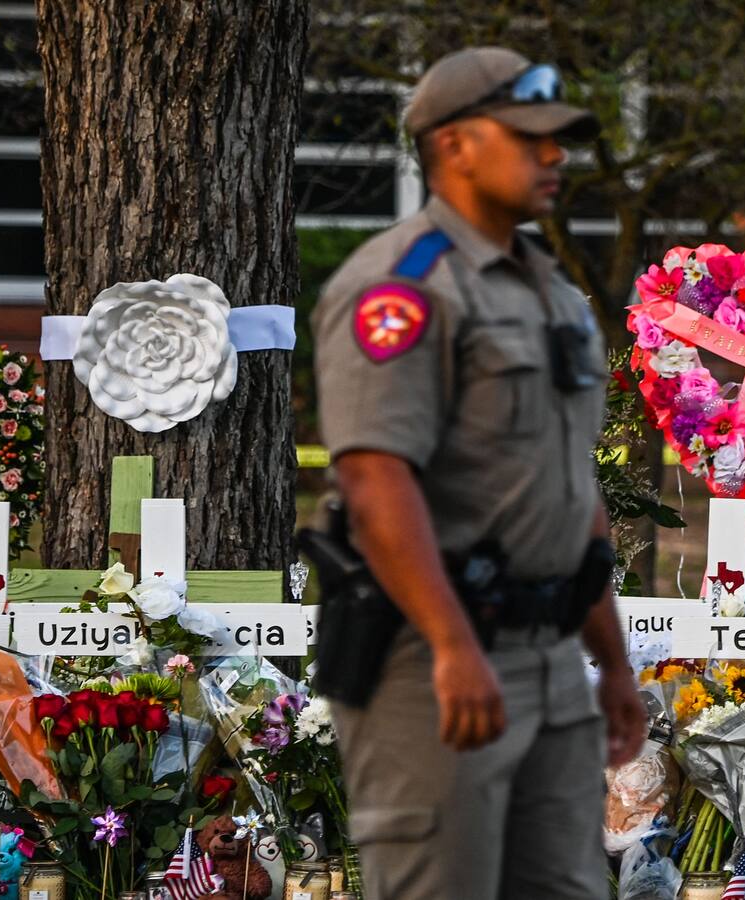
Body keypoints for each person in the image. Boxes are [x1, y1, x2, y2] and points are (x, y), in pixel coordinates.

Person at [311, 45, 646, 900]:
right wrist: (455, 646)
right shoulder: (402, 287)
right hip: (432, 661)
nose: (555, 155)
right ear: (455, 144)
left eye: (559, 139)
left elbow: (570, 491)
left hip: (547, 656)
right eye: (530, 136)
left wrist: (611, 661)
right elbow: (376, 479)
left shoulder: (551, 294)